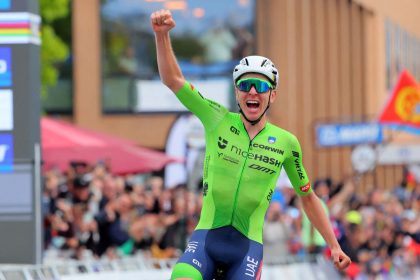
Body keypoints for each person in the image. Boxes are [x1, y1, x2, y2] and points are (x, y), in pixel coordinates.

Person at [150, 9, 351, 280]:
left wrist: (334, 245)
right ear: (236, 92)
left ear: (273, 95)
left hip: (246, 250)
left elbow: (308, 197)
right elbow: (173, 81)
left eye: (260, 85)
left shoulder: (286, 142)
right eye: (245, 86)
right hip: (206, 240)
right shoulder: (216, 118)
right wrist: (161, 35)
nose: (252, 92)